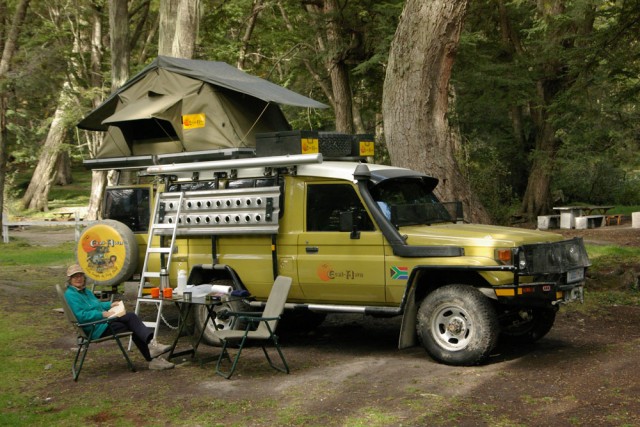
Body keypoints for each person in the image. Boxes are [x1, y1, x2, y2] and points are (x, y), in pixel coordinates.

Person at [63, 264, 174, 371]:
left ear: (84, 277)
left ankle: (153, 353)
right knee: (132, 320)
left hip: (102, 323)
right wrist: (101, 314)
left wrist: (110, 305)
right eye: (75, 277)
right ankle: (152, 350)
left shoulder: (86, 291)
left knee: (132, 322)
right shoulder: (71, 295)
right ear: (70, 280)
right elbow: (81, 316)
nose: (78, 279)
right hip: (94, 328)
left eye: (80, 276)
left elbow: (97, 305)